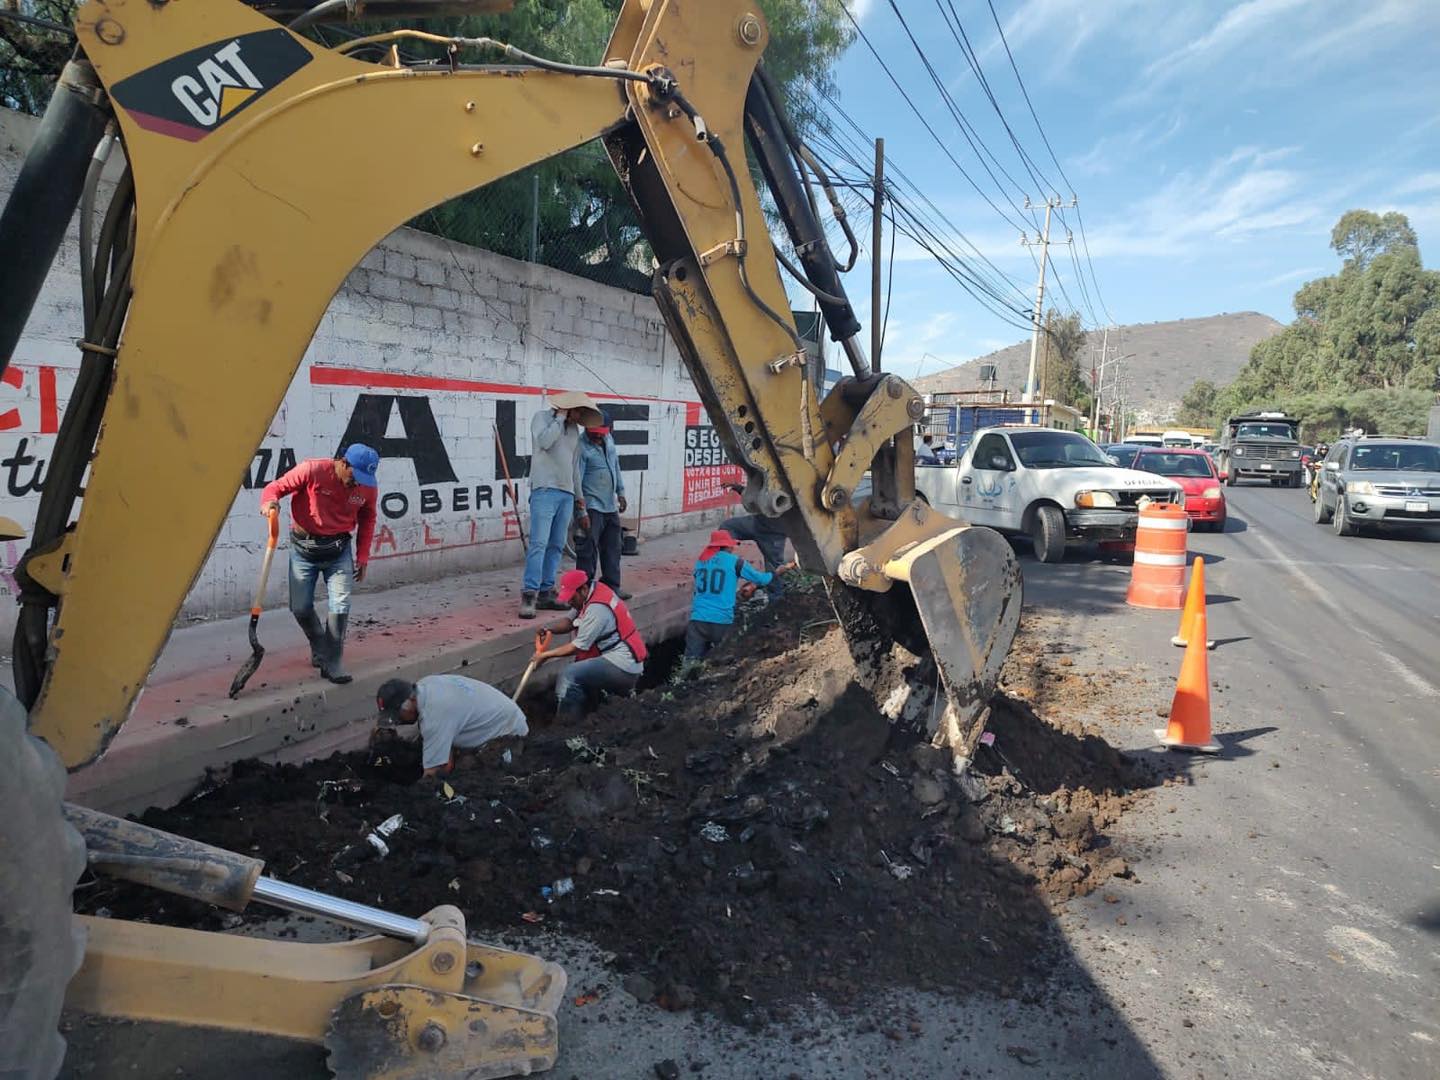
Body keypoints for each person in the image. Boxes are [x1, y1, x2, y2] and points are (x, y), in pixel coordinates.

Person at [261, 444, 379, 685]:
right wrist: (270, 502)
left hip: (338, 551)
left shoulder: (367, 486)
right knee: (300, 607)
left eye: (364, 479)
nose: (357, 484)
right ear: (343, 463)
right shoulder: (312, 470)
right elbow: (275, 487)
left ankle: (333, 662)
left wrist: (363, 555)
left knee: (341, 602)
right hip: (304, 550)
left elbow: (368, 517)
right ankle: (319, 643)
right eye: (354, 477)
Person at [521, 390, 603, 619]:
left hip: (566, 494)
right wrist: (559, 418)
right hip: (544, 490)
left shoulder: (574, 431)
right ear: (567, 408)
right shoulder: (542, 419)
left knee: (557, 544)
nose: (579, 417)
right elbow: (545, 442)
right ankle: (529, 594)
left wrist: (580, 500)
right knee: (538, 543)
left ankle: (546, 591)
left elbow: (574, 467)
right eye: (577, 411)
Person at [531, 569, 646, 720]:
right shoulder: (592, 593)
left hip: (623, 666)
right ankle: (597, 711)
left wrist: (545, 656)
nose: (569, 602)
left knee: (570, 675)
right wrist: (549, 629)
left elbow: (577, 647)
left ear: (583, 589)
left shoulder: (597, 609)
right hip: (618, 658)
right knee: (584, 673)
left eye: (572, 598)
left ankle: (566, 725)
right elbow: (569, 622)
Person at [374, 675, 528, 779]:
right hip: (499, 715)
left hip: (508, 734)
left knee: (468, 777)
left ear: (411, 700)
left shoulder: (434, 715)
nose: (398, 722)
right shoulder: (425, 685)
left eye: (398, 715)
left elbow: (435, 771)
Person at [686, 530, 795, 660]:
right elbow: (761, 579)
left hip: (697, 621)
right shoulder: (735, 562)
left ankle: (683, 679)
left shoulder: (701, 561)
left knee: (690, 661)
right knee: (723, 659)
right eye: (731, 545)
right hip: (722, 621)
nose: (732, 548)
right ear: (726, 546)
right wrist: (778, 572)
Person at [575, 409, 629, 598]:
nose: (598, 437)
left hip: (609, 505)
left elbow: (616, 466)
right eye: (595, 433)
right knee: (588, 550)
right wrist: (581, 513)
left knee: (613, 547)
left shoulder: (609, 442)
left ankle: (611, 586)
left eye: (602, 433)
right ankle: (585, 590)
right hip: (592, 507)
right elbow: (576, 481)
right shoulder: (581, 448)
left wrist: (620, 492)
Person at [719, 482, 790, 601]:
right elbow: (755, 497)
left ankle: (776, 600)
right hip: (756, 523)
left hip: (774, 534)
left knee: (774, 567)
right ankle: (721, 565)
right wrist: (739, 488)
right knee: (727, 527)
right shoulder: (768, 479)